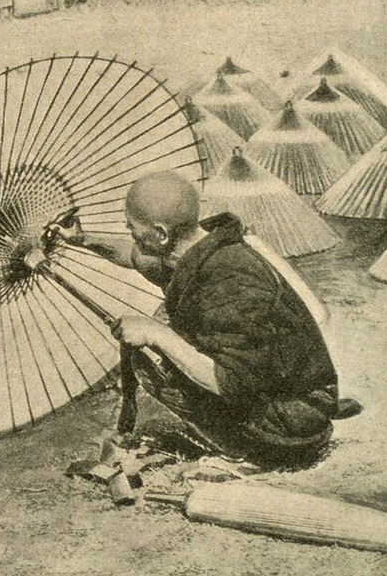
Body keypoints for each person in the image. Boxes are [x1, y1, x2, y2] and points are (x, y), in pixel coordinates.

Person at [56, 170, 361, 468]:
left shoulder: (232, 280)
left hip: (294, 418)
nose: (130, 232)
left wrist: (156, 333)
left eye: (131, 226)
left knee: (150, 358)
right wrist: (82, 239)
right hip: (275, 386)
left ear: (162, 234)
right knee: (162, 342)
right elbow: (139, 257)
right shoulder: (201, 248)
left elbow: (231, 382)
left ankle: (250, 454)